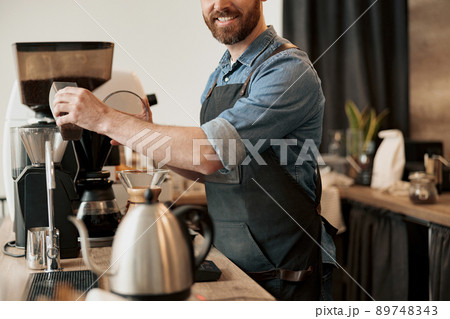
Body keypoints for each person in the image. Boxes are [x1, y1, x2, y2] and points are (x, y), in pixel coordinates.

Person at [53, 0, 336, 300]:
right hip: (230, 267)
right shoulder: (221, 74)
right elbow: (210, 171)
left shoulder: (288, 70)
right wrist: (141, 138)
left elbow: (208, 153)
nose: (221, 4)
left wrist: (106, 119)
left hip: (285, 279)